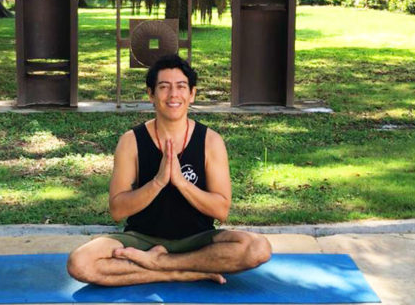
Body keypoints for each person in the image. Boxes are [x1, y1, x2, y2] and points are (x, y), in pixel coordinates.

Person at [67, 55, 272, 286]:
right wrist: (158, 181)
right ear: (151, 95)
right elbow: (117, 209)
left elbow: (221, 209)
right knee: (80, 262)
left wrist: (181, 182)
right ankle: (182, 272)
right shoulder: (131, 141)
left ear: (192, 94)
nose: (173, 95)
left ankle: (158, 264)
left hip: (198, 241)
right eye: (164, 87)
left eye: (181, 87)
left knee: (258, 248)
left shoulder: (211, 141)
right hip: (140, 240)